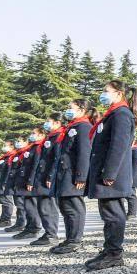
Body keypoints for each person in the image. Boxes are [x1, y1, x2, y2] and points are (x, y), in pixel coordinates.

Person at [86, 79, 137, 271]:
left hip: (112, 174)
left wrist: (109, 173)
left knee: (113, 214)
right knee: (108, 212)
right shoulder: (113, 114)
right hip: (107, 172)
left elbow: (118, 147)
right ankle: (109, 249)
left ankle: (114, 253)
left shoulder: (121, 114)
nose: (103, 94)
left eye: (106, 91)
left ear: (119, 94)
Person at [49, 101, 92, 254]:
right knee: (66, 207)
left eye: (70, 108)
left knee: (73, 207)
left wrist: (81, 176)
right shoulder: (73, 127)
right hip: (65, 174)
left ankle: (75, 241)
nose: (67, 110)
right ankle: (69, 238)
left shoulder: (84, 127)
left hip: (74, 175)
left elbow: (84, 153)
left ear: (81, 110)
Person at [29, 114, 65, 247]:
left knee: (47, 206)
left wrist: (50, 176)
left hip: (47, 178)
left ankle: (51, 234)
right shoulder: (51, 137)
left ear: (57, 123)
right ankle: (48, 232)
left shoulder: (59, 136)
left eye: (48, 121)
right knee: (42, 206)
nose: (46, 124)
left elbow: (56, 158)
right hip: (42, 176)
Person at [16, 126, 47, 243]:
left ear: (41, 135)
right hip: (26, 180)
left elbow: (35, 166)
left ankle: (34, 228)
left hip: (32, 181)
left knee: (31, 206)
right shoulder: (32, 147)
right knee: (27, 205)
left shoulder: (40, 146)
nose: (31, 135)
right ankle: (29, 227)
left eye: (34, 133)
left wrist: (30, 181)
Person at [0, 141, 16, 227]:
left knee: (6, 201)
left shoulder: (12, 156)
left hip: (5, 183)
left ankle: (6, 220)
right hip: (1, 181)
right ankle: (3, 218)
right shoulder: (6, 157)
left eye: (5, 146)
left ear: (12, 147)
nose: (3, 147)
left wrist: (5, 183)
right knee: (2, 200)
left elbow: (9, 171)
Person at [127, 141, 137, 219]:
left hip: (131, 175)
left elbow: (135, 166)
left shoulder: (135, 151)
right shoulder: (133, 151)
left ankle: (132, 213)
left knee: (131, 195)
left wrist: (132, 177)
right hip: (130, 175)